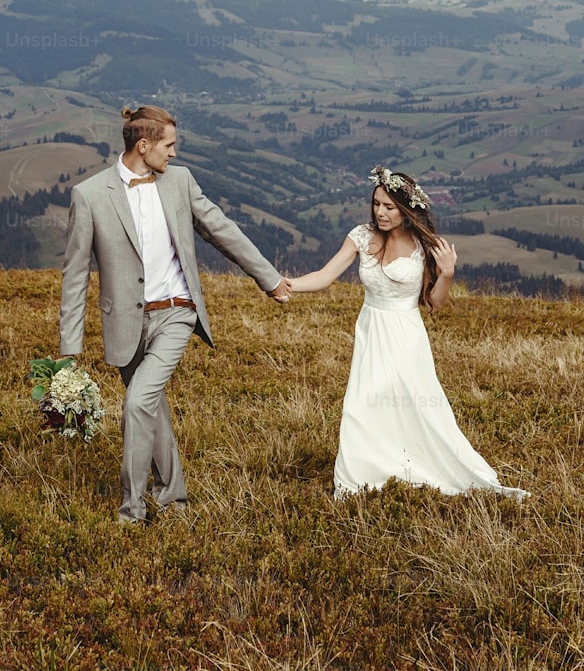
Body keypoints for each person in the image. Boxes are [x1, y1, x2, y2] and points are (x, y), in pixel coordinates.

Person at [59, 104, 290, 523]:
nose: (174, 153)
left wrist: (269, 278)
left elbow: (222, 230)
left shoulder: (180, 182)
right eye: (169, 145)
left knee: (136, 403)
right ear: (143, 145)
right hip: (125, 323)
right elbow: (75, 276)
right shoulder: (90, 195)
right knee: (152, 408)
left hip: (176, 314)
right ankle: (175, 497)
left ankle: (131, 511)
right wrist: (69, 348)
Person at [283, 165, 526, 499]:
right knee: (362, 404)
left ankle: (421, 464)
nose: (380, 212)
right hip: (372, 330)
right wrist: (289, 285)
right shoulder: (360, 236)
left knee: (417, 406)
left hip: (406, 336)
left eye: (389, 206)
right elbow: (326, 275)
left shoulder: (425, 246)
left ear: (406, 209)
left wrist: (448, 274)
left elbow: (435, 304)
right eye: (377, 204)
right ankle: (363, 474)